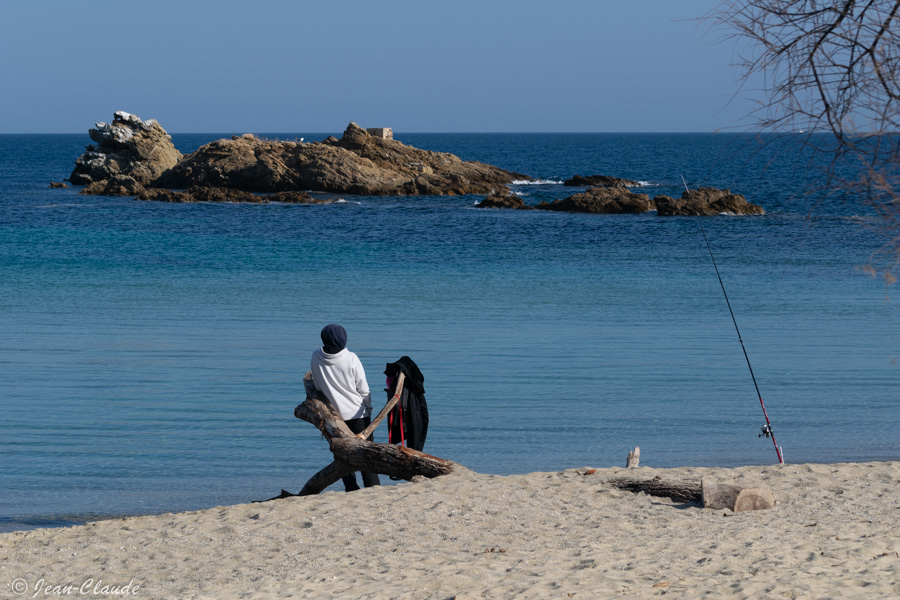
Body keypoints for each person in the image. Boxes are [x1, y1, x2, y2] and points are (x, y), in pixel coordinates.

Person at [309, 324, 380, 491]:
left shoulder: (315, 356)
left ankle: (351, 487)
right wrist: (368, 409)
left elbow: (318, 386)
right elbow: (363, 388)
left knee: (342, 455)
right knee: (366, 454)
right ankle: (373, 488)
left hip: (334, 416)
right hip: (357, 413)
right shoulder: (351, 358)